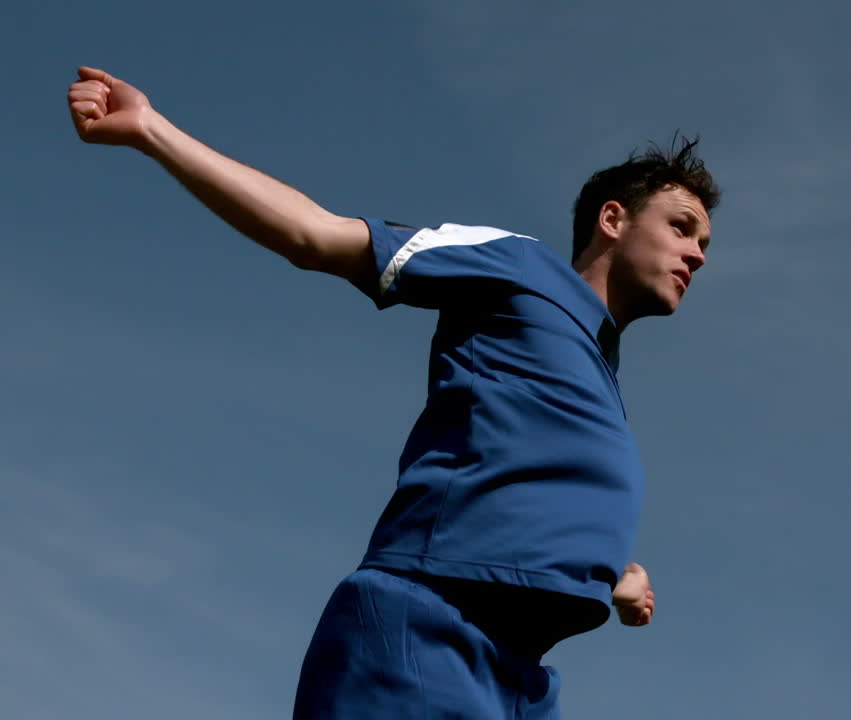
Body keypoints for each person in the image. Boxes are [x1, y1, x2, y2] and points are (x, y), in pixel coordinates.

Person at [67, 66, 720, 719]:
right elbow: (316, 236)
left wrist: (616, 576)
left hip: (521, 678)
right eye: (682, 226)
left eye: (704, 242)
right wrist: (151, 129)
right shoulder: (518, 264)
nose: (697, 253)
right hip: (428, 631)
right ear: (613, 219)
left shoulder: (599, 373)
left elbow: (534, 488)